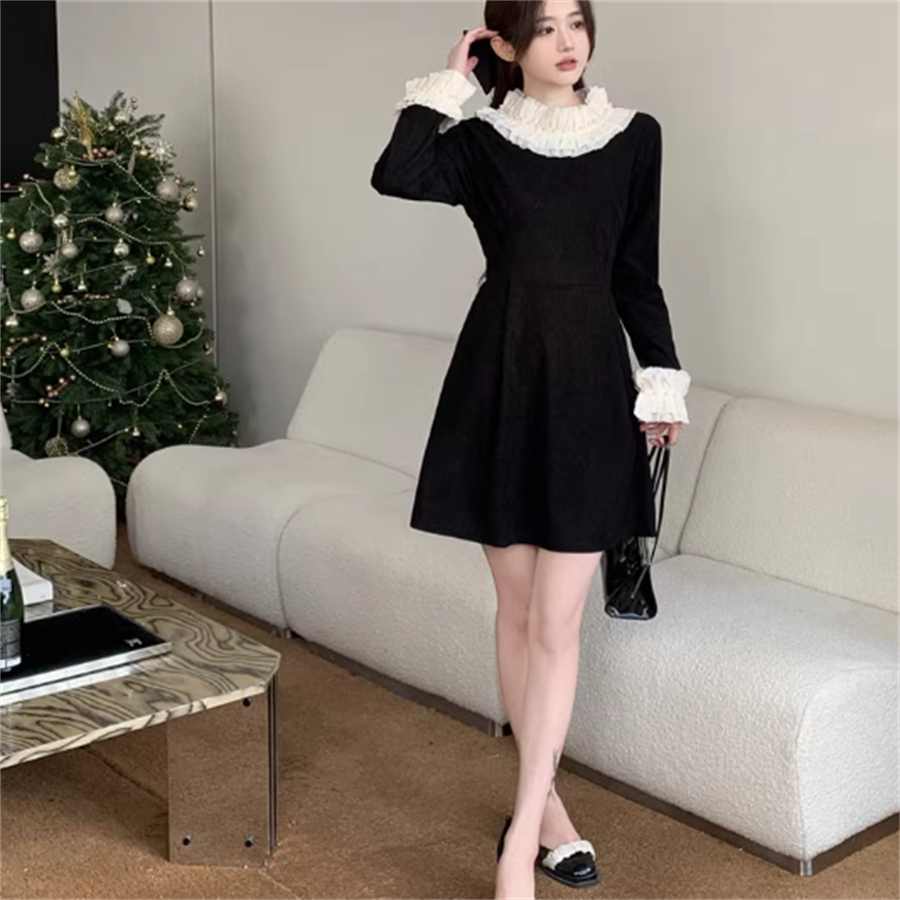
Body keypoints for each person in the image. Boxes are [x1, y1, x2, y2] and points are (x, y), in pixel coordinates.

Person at [371, 1, 690, 897]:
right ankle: (546, 813)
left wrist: (660, 379)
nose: (567, 40)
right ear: (508, 43)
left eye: (576, 21)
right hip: (501, 376)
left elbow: (636, 272)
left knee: (556, 623)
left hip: (590, 383)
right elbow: (397, 172)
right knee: (514, 614)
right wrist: (452, 82)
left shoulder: (634, 137)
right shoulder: (482, 141)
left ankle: (518, 849)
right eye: (543, 27)